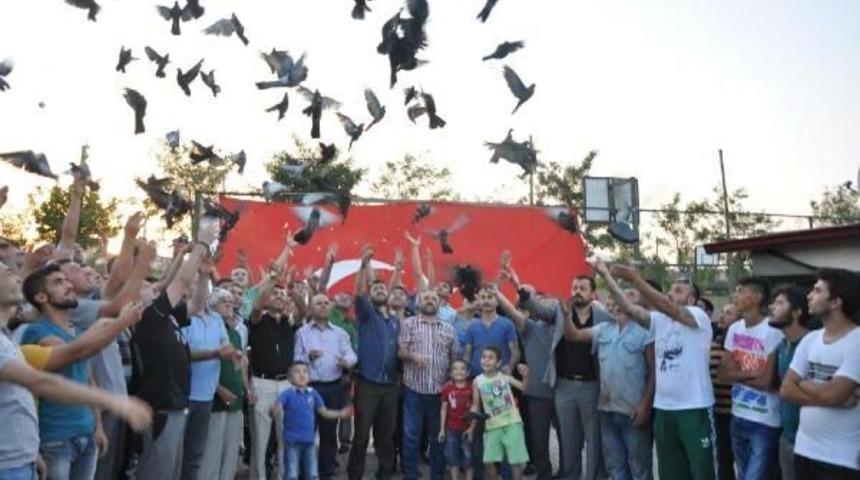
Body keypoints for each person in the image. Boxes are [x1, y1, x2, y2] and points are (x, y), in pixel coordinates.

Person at [0, 267, 152, 480]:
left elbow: (87, 376)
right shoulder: (35, 332)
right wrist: (115, 401)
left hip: (36, 451)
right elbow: (49, 375)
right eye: (58, 282)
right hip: (50, 442)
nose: (15, 275)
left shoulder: (7, 339)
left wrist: (96, 426)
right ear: (41, 297)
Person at [609, 265, 717, 480]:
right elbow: (628, 308)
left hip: (694, 407)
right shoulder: (659, 320)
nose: (670, 294)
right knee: (671, 472)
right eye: (670, 289)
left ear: (691, 299)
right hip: (664, 408)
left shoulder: (698, 317)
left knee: (702, 471)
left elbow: (670, 307)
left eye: (678, 290)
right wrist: (604, 274)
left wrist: (635, 278)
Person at [131, 224, 217, 480]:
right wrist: (201, 245)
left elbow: (197, 304)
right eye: (149, 287)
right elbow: (179, 283)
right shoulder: (148, 317)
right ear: (135, 299)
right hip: (160, 409)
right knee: (155, 471)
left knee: (169, 471)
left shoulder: (168, 317)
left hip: (177, 406)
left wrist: (203, 275)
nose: (156, 287)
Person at [572, 258, 655, 480]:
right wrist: (565, 310)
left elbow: (654, 372)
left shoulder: (646, 330)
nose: (621, 302)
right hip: (606, 409)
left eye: (630, 298)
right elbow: (574, 335)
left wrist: (645, 405)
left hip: (633, 410)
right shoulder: (604, 329)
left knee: (639, 468)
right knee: (615, 466)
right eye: (620, 297)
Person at [780, 268, 860, 479]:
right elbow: (786, 389)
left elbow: (833, 395)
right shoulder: (810, 339)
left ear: (835, 302)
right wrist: (832, 397)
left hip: (843, 458)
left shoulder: (857, 341)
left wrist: (804, 383)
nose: (809, 295)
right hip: (804, 450)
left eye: (817, 290)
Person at [346, 244, 402, 480]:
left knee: (385, 436)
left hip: (391, 386)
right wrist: (363, 265)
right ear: (371, 294)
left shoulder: (397, 321)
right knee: (360, 435)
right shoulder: (366, 315)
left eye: (383, 288)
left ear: (388, 295)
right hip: (367, 385)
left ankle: (384, 474)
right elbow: (359, 292)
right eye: (375, 288)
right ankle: (355, 475)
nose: (379, 290)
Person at [718, 277, 783, 480]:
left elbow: (767, 382)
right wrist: (751, 374)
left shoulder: (773, 330)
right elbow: (722, 374)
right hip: (738, 416)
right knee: (743, 474)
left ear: (757, 297)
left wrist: (735, 375)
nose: (736, 295)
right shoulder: (735, 329)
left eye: (741, 291)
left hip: (765, 421)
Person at [293, 293, 357, 480]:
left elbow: (352, 355)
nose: (322, 306)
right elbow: (296, 359)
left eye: (326, 303)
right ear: (311, 309)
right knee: (306, 433)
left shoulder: (340, 333)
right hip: (309, 388)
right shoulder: (302, 332)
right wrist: (308, 358)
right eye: (318, 303)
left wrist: (347, 362)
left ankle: (326, 472)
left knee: (329, 435)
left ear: (331, 308)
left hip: (334, 388)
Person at [398, 289, 459, 480]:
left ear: (439, 303)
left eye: (434, 298)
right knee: (410, 436)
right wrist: (414, 356)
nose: (430, 301)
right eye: (426, 298)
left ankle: (437, 474)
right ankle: (410, 474)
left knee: (438, 436)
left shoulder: (448, 328)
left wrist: (452, 379)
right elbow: (401, 352)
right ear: (418, 302)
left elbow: (455, 357)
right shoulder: (408, 324)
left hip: (440, 392)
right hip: (413, 389)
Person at [181, 285, 240, 480]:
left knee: (195, 455)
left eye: (205, 289)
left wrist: (234, 353)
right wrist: (214, 354)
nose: (202, 293)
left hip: (205, 398)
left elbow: (225, 344)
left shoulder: (215, 319)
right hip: (183, 396)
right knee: (176, 454)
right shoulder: (182, 317)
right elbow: (182, 354)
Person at [247, 267, 299, 480]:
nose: (278, 297)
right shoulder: (257, 319)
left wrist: (293, 291)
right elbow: (258, 304)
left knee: (286, 440)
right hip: (262, 384)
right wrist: (272, 280)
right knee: (260, 442)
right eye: (274, 294)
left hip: (286, 385)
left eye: (282, 294)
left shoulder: (289, 322)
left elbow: (303, 312)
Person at [271, 362, 351, 480]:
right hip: (292, 442)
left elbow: (324, 412)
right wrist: (274, 410)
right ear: (289, 378)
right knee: (292, 473)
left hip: (309, 443)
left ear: (309, 376)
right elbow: (277, 406)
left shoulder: (313, 394)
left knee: (312, 474)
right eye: (297, 372)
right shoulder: (287, 394)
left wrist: (340, 413)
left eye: (305, 371)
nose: (302, 375)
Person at [769, 285, 811, 480]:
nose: (771, 307)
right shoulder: (781, 345)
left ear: (796, 312)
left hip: (812, 442)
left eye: (779, 303)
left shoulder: (812, 344)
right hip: (787, 437)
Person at [470, 346, 529, 480]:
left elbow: (523, 388)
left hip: (513, 423)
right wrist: (471, 425)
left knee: (514, 461)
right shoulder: (477, 381)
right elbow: (475, 406)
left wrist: (526, 376)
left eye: (491, 358)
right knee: (488, 462)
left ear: (498, 363)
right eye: (484, 357)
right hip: (493, 426)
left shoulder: (505, 377)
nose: (486, 360)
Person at [439, 359, 475, 480]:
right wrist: (442, 429)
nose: (459, 371)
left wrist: (472, 428)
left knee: (468, 458)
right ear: (450, 373)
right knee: (453, 458)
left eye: (462, 368)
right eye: (455, 368)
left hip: (467, 430)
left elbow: (476, 410)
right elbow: (444, 409)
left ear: (468, 372)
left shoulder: (472, 388)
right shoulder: (447, 389)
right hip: (452, 429)